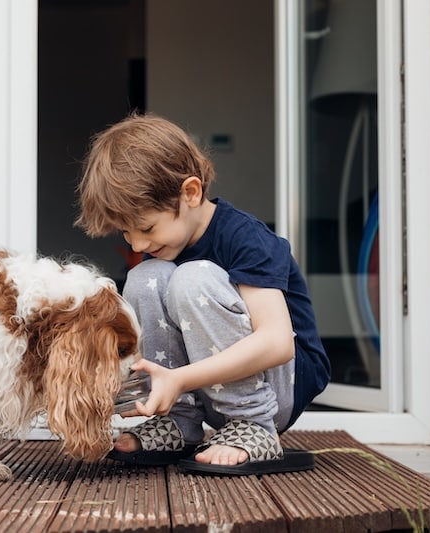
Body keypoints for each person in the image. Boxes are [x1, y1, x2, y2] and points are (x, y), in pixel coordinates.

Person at [75, 113, 330, 475]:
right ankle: (178, 422)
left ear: (190, 193)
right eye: (126, 233)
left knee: (193, 278)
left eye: (146, 228)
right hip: (205, 391)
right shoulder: (158, 254)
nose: (138, 242)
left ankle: (252, 425)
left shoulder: (246, 238)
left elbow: (278, 343)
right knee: (145, 277)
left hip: (277, 389)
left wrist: (180, 379)